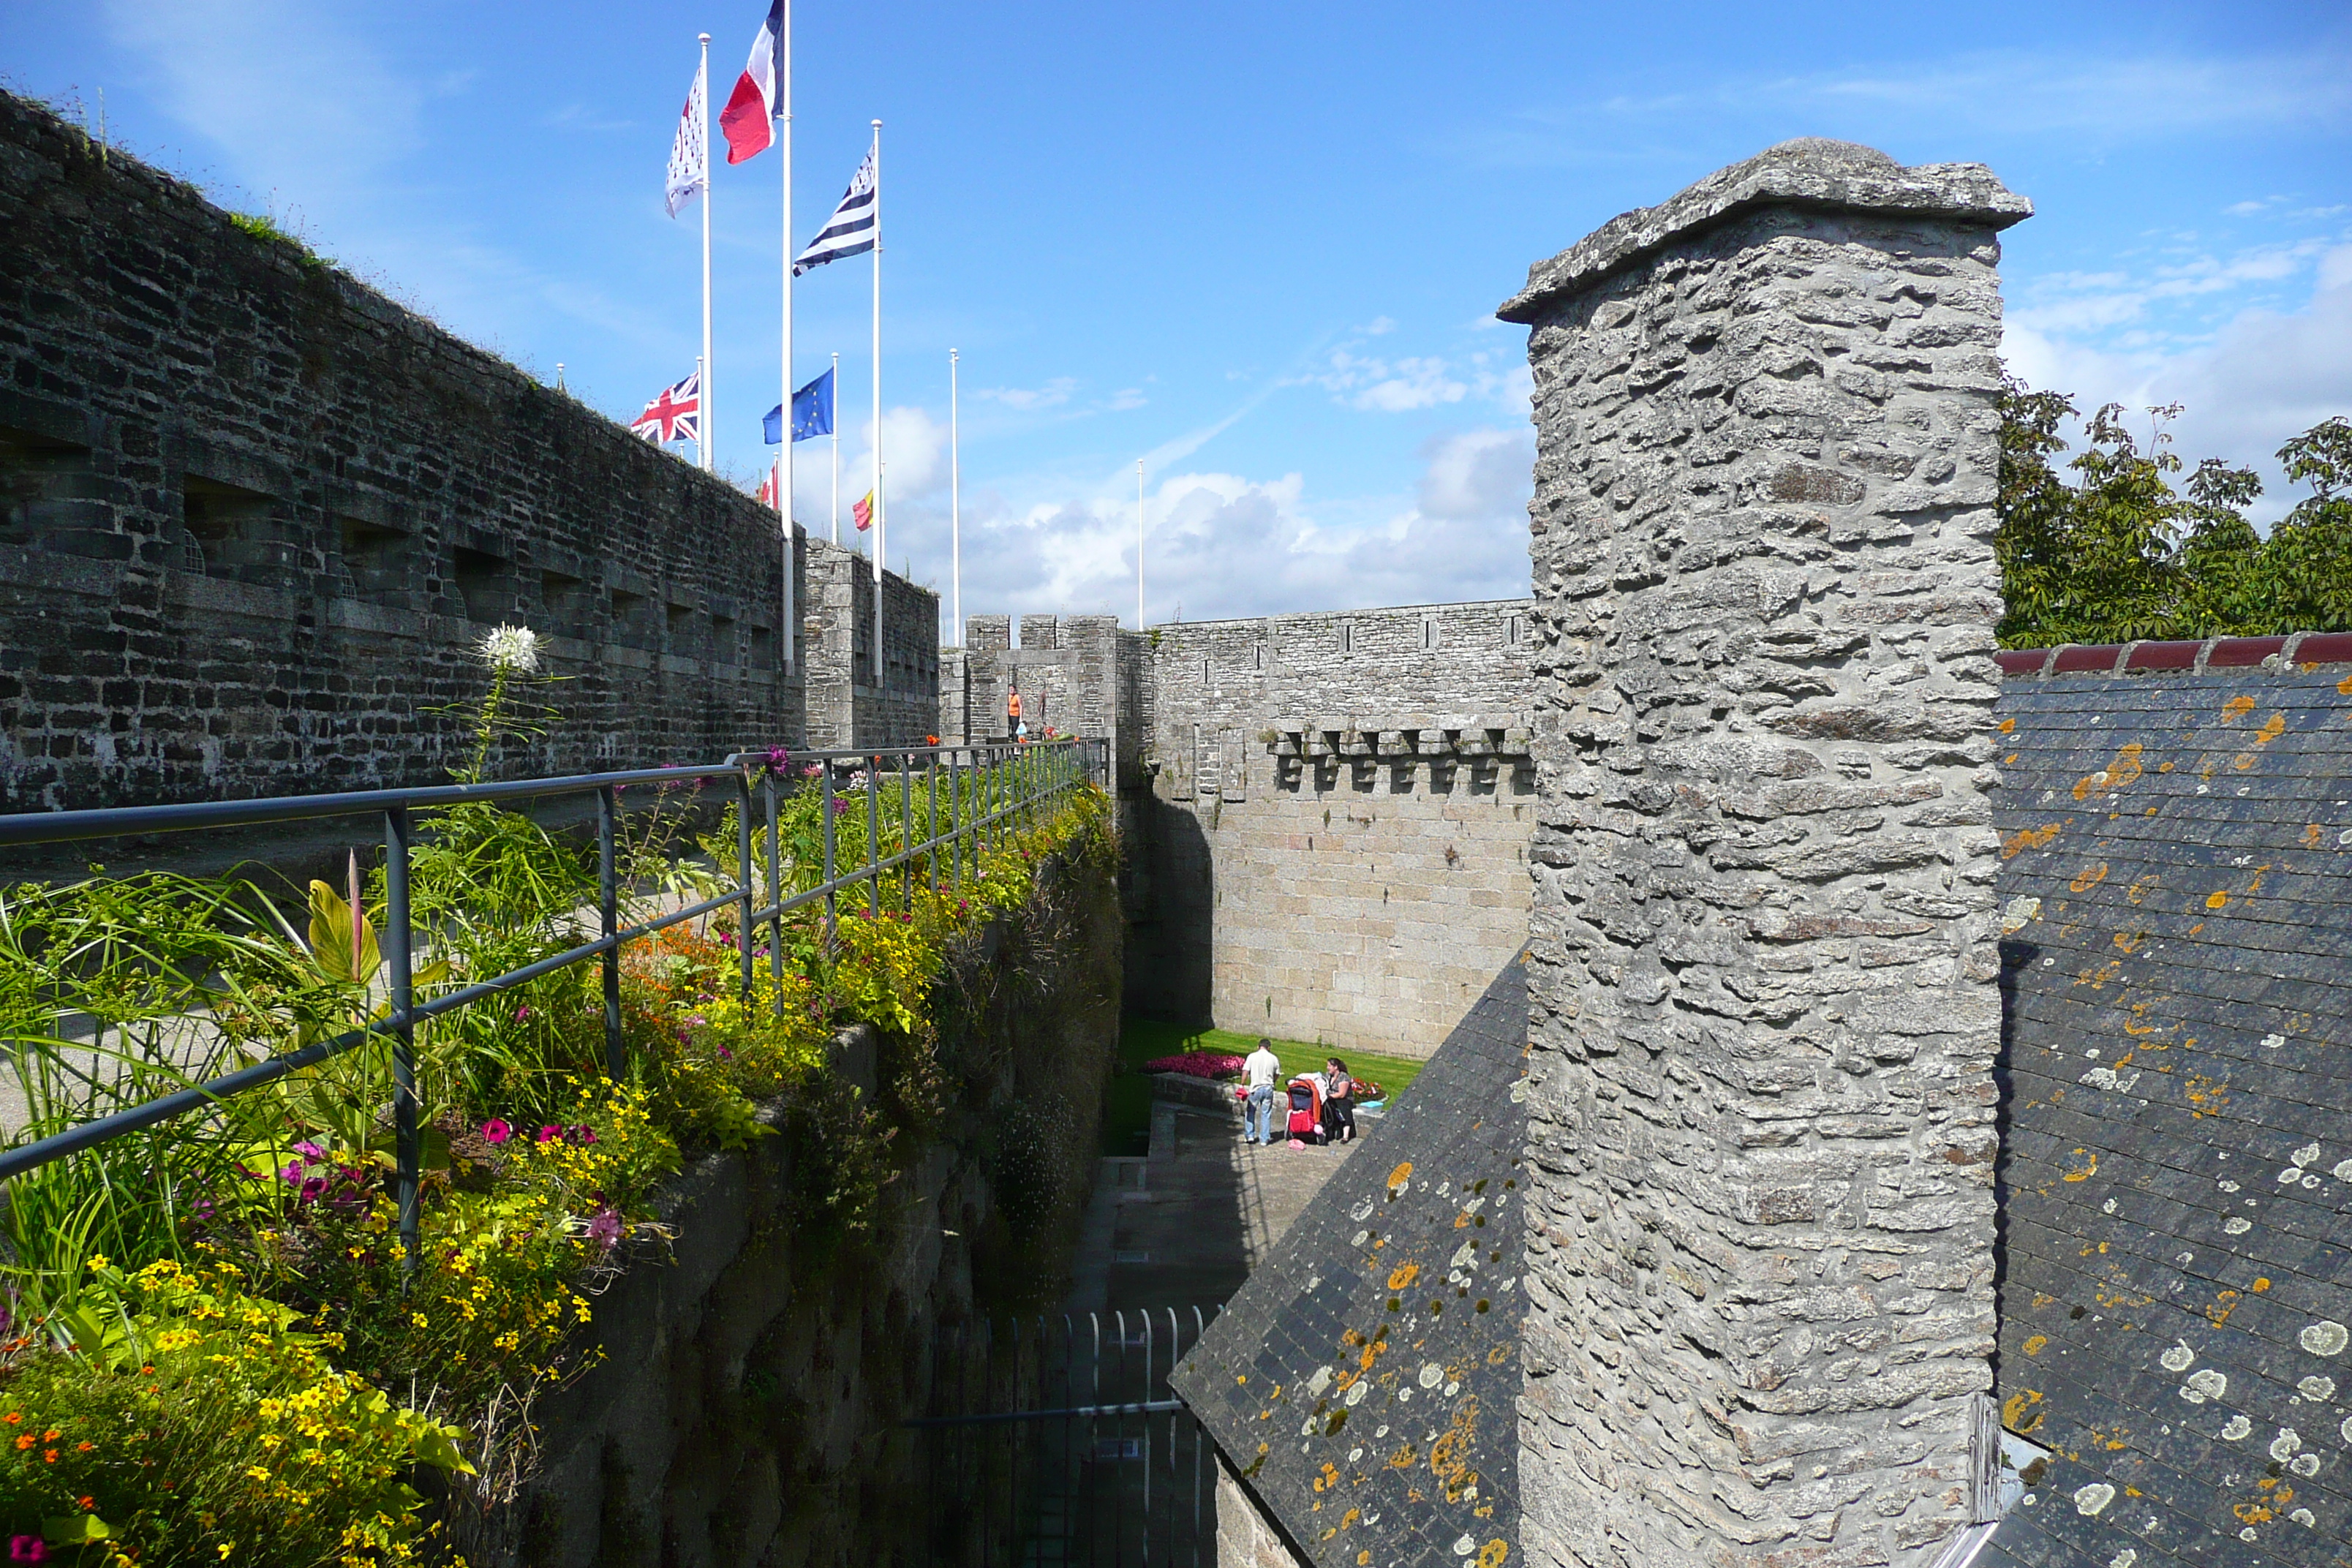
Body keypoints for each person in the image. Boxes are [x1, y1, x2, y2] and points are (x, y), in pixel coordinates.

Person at [1242, 1038, 1281, 1146]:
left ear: (1259, 1046)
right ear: (1269, 1048)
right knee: (1266, 1113)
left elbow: (1246, 1071)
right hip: (1268, 1088)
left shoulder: (1252, 1056)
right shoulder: (1274, 1058)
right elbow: (1277, 1073)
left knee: (1251, 1111)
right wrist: (1273, 1080)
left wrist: (1242, 1084)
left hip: (1256, 1088)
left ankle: (1250, 1136)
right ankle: (1264, 1139)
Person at [1321, 1057, 1357, 1144]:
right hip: (1330, 1097)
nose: (1327, 1068)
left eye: (1329, 1066)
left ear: (1336, 1067)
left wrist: (1329, 1096)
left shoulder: (1343, 1077)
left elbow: (1342, 1094)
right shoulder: (1328, 1075)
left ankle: (1346, 1135)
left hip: (1344, 1099)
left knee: (1343, 1107)